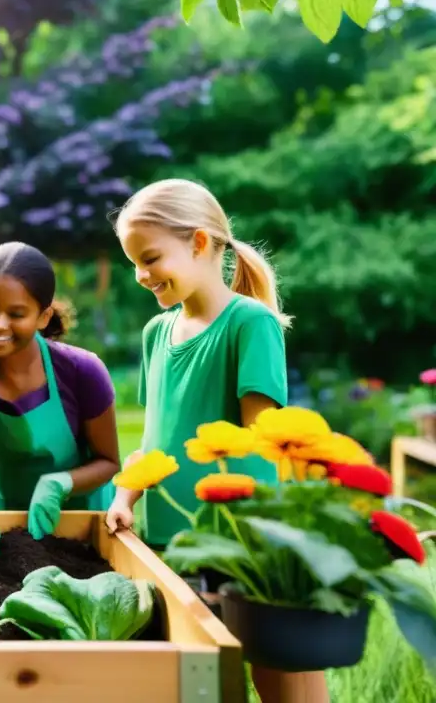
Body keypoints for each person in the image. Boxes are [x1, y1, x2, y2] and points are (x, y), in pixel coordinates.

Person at [104, 179, 318, 703]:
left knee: (278, 674)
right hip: (170, 544)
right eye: (133, 261)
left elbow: (262, 442)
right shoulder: (157, 333)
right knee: (203, 685)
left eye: (150, 257)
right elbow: (156, 442)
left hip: (239, 543)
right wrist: (125, 495)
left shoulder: (251, 324)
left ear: (200, 243)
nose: (141, 275)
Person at [0, 242, 121, 553]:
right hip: (7, 529)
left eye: (16, 313)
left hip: (84, 526)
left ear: (43, 316)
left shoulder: (83, 372)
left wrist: (60, 483)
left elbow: (108, 461)